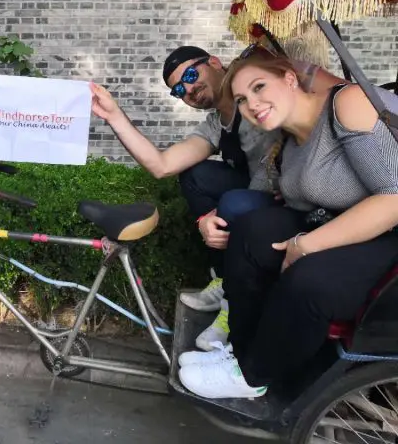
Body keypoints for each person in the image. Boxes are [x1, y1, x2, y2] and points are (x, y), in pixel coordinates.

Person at [177, 47, 398, 400]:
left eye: (260, 87)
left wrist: (305, 245)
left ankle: (254, 375)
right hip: (343, 226)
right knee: (251, 230)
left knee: (308, 278)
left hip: (390, 235)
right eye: (243, 100)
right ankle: (243, 353)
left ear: (290, 78)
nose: (253, 104)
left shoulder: (347, 103)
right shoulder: (288, 145)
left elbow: (394, 197)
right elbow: (278, 199)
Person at [90, 45, 345, 351]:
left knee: (235, 204)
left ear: (214, 62)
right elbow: (162, 165)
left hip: (301, 191)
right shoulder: (215, 125)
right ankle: (224, 280)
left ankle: (232, 305)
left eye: (190, 75)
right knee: (196, 175)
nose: (189, 89)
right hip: (269, 187)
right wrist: (114, 116)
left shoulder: (269, 101)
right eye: (179, 90)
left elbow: (333, 91)